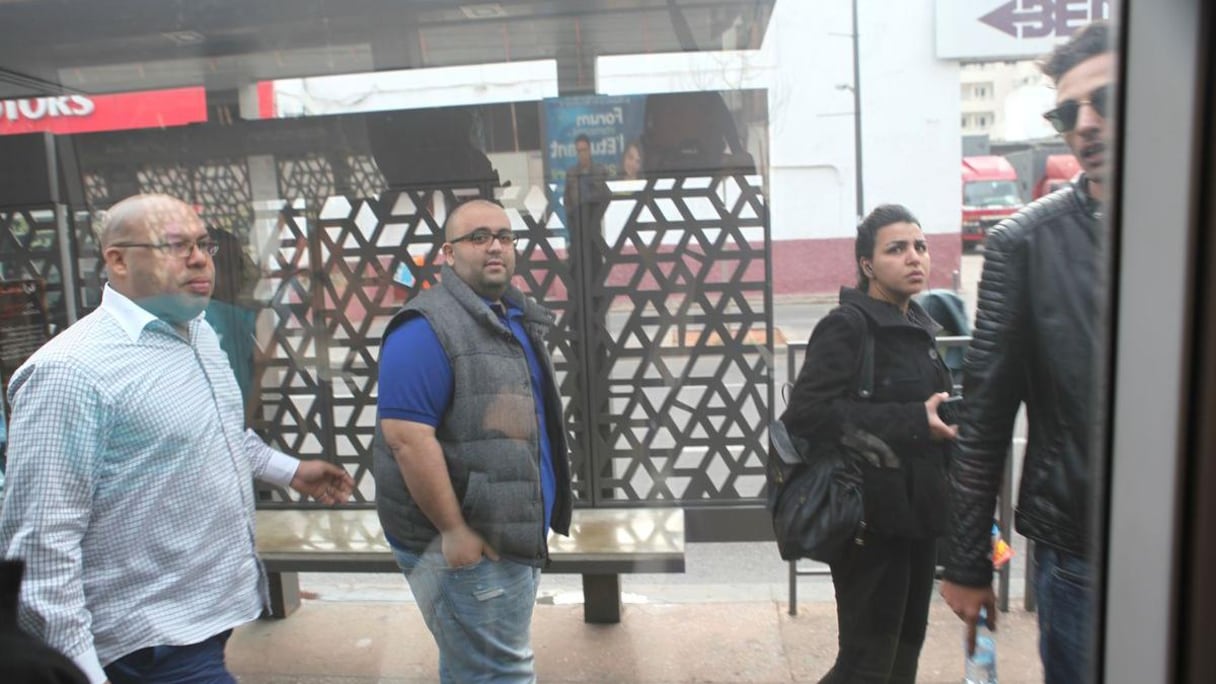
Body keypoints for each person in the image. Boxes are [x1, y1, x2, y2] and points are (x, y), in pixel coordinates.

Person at [0, 194, 355, 684]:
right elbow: (40, 548)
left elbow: (220, 429)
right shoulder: (70, 373)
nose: (199, 258)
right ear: (117, 260)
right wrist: (79, 674)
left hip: (206, 616)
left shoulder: (197, 332)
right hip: (144, 644)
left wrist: (290, 471)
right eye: (175, 246)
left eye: (203, 244)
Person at [941, 21, 1112, 684]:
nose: (1086, 124)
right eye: (1069, 112)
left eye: (1108, 101)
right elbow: (983, 420)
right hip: (1081, 559)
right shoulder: (1026, 246)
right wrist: (966, 563)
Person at [373, 198, 573, 683]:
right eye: (478, 237)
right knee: (500, 673)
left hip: (509, 534)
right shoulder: (424, 328)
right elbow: (406, 439)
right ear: (448, 252)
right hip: (471, 544)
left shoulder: (507, 314)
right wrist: (454, 531)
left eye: (504, 237)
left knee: (475, 669)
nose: (495, 247)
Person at [783, 204, 957, 683]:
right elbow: (806, 414)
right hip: (870, 523)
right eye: (896, 249)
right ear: (867, 265)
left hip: (919, 519)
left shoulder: (919, 326)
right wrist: (914, 420)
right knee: (866, 664)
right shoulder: (848, 325)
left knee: (904, 655)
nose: (914, 258)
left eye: (920, 247)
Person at [562, 133, 611, 235]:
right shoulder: (571, 173)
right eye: (579, 151)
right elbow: (567, 201)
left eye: (584, 150)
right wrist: (572, 225)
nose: (582, 154)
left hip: (597, 225)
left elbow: (606, 196)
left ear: (589, 150)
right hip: (578, 228)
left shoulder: (600, 172)